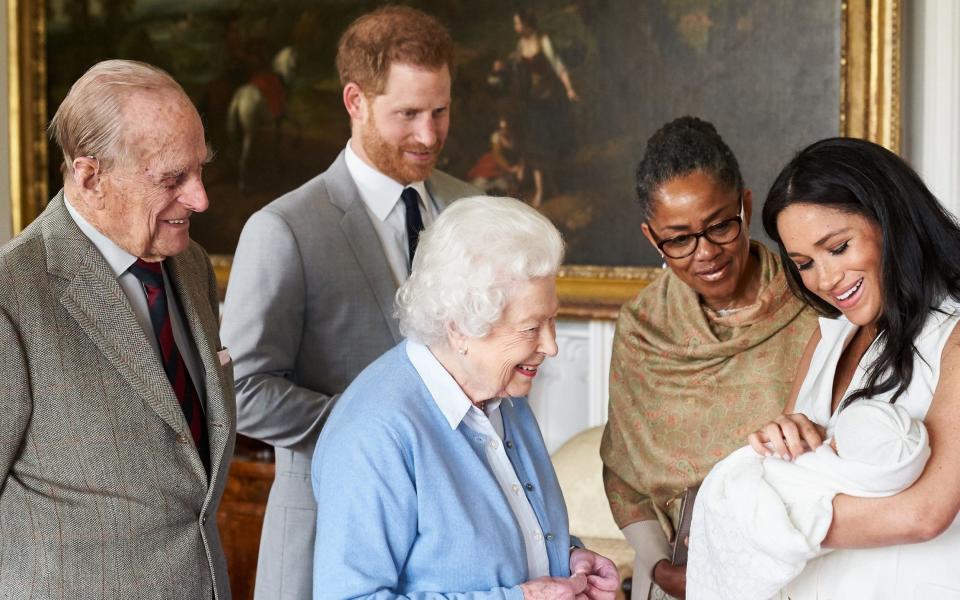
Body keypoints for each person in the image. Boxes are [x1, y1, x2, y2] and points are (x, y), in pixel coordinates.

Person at [220, 6, 478, 599]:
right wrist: (382, 428)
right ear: (355, 101)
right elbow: (241, 391)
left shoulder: (471, 207)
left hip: (453, 546)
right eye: (407, 114)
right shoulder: (283, 227)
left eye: (440, 111)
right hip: (325, 534)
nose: (429, 135)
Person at [0, 60, 235, 598]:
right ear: (90, 176)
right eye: (173, 178)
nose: (200, 198)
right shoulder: (11, 296)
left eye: (200, 170)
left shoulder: (192, 265)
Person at [311, 196, 619, 599]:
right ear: (459, 328)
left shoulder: (504, 393)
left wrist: (570, 558)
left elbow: (493, 547)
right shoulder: (374, 434)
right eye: (530, 328)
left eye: (552, 319)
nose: (551, 345)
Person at [599, 117, 817, 600]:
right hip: (675, 574)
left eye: (720, 226)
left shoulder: (814, 303)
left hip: (798, 564)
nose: (705, 254)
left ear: (746, 205)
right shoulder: (642, 329)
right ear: (652, 238)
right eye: (678, 239)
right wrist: (658, 565)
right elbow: (623, 473)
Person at [750, 137, 960, 599]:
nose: (824, 280)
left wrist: (760, 517)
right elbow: (782, 471)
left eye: (839, 247)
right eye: (804, 263)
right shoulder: (828, 337)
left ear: (892, 221)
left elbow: (925, 514)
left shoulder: (954, 338)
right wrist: (783, 439)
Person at [687, 400, 930, 600]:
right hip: (760, 476)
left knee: (732, 509)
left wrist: (735, 525)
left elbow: (785, 537)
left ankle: (712, 556)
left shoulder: (830, 487)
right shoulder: (881, 469)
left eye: (836, 442)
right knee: (724, 501)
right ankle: (711, 549)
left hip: (761, 495)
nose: (829, 444)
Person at [510, 9, 578, 207]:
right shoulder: (520, 45)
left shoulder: (544, 40)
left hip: (551, 100)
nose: (516, 27)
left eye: (517, 23)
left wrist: (570, 89)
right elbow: (517, 73)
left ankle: (555, 185)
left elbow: (558, 66)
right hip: (532, 102)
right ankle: (541, 190)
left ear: (527, 24)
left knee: (549, 143)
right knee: (534, 144)